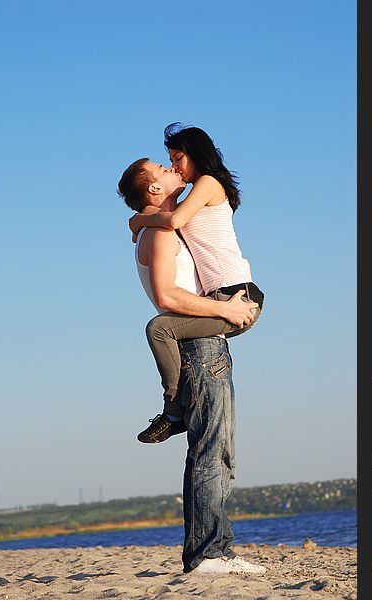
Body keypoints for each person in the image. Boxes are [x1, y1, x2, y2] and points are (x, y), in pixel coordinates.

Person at [117, 159, 266, 574]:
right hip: (199, 347)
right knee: (211, 452)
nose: (172, 168)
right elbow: (168, 296)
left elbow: (145, 222)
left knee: (216, 450)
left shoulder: (155, 225)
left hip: (201, 342)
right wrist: (226, 309)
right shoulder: (161, 233)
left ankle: (210, 549)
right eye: (162, 168)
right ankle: (209, 554)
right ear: (152, 189)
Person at [128, 124, 264, 444]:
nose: (175, 166)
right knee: (163, 329)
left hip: (237, 295)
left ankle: (173, 411)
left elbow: (174, 221)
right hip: (222, 296)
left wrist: (138, 220)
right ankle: (175, 410)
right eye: (170, 160)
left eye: (177, 157)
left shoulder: (207, 182)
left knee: (159, 329)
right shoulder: (194, 193)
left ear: (195, 154)